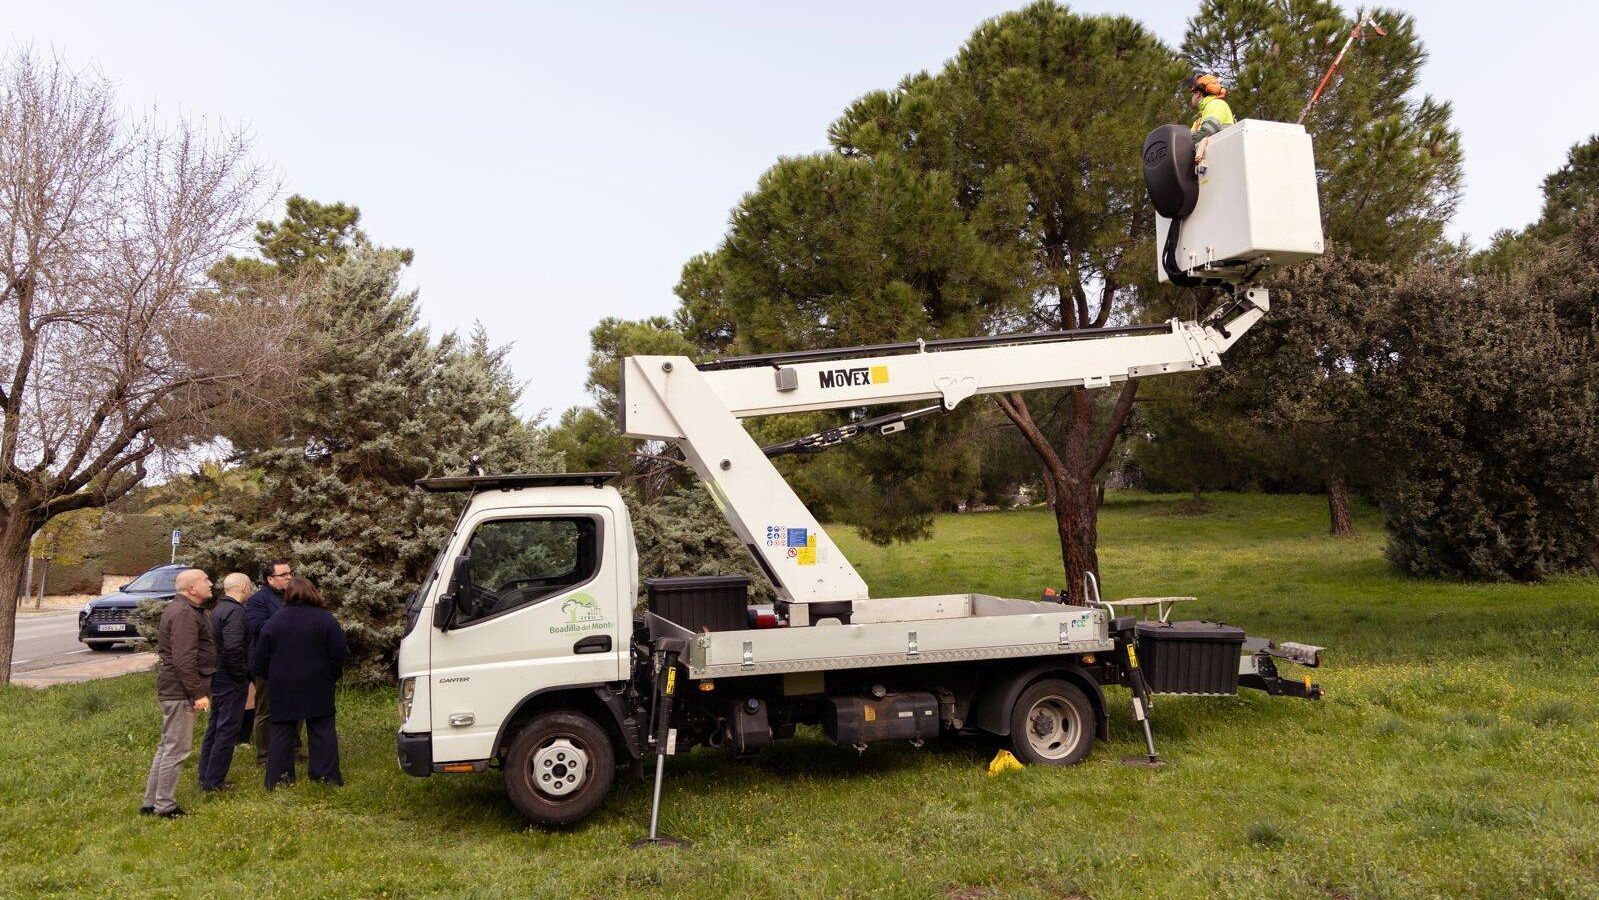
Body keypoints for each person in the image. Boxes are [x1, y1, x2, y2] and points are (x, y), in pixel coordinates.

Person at [252, 576, 348, 789]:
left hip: (283, 684)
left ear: (287, 595)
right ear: (314, 593)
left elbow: (260, 656)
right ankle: (326, 777)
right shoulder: (326, 620)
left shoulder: (275, 621)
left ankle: (279, 780)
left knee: (281, 732)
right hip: (318, 682)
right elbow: (339, 651)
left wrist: (269, 677)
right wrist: (333, 675)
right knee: (322, 729)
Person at [142, 568, 216, 818]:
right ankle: (165, 806)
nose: (211, 583)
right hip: (180, 691)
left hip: (175, 688)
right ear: (192, 589)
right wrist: (197, 693)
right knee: (176, 749)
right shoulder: (185, 613)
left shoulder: (186, 609)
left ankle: (151, 803)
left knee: (167, 747)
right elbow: (184, 659)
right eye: (206, 580)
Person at [196, 573, 252, 792]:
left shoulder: (219, 608)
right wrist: (241, 676)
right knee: (227, 730)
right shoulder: (236, 612)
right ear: (245, 588)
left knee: (215, 727)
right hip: (230, 679)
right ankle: (215, 781)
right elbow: (233, 648)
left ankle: (206, 775)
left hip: (218, 677)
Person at [245, 559, 302, 766]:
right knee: (265, 710)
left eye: (290, 573)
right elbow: (258, 626)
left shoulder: (295, 597)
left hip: (295, 663)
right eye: (283, 575)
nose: (289, 577)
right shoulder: (258, 600)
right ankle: (265, 756)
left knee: (298, 707)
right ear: (270, 579)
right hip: (269, 665)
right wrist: (289, 621)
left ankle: (293, 750)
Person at [1189, 73, 1236, 164]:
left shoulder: (1216, 104)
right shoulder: (1199, 119)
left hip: (1223, 159)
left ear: (1197, 93)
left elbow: (1207, 131)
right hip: (1209, 162)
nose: (1192, 97)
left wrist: (1183, 144)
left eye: (1193, 93)